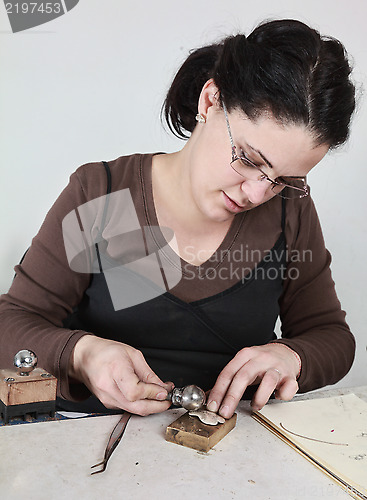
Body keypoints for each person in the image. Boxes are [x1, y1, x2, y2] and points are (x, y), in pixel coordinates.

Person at [0, 19, 356, 419]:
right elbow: (12, 323)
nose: (257, 194)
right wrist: (81, 354)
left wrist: (291, 355)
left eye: (283, 180)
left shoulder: (289, 211)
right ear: (210, 101)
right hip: (84, 438)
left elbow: (332, 337)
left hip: (228, 451)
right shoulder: (106, 194)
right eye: (249, 160)